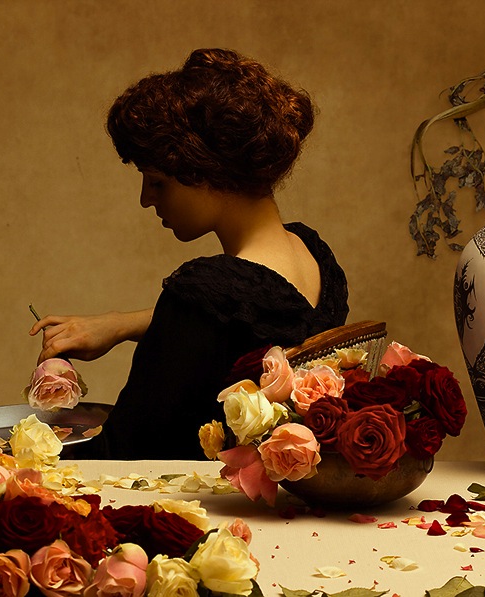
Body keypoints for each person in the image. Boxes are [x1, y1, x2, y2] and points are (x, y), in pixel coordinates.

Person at [29, 48, 349, 460]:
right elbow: (255, 314)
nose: (146, 199)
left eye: (157, 182)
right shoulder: (315, 256)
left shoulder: (203, 291)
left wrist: (3, 459)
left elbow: (125, 450)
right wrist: (122, 323)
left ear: (203, 171)